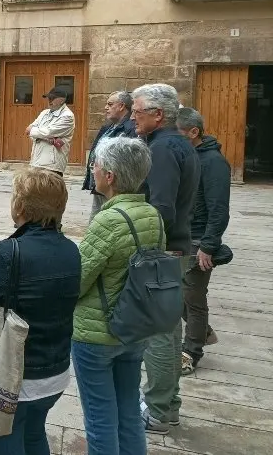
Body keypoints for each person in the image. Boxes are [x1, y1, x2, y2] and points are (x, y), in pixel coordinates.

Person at [0, 168, 80, 455]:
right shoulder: (72, 251)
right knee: (34, 435)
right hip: (55, 372)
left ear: (20, 207)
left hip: (13, 377)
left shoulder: (7, 252)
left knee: (4, 440)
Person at [73, 136, 163, 455]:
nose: (92, 170)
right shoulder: (152, 215)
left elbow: (79, 280)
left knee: (99, 419)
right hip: (134, 326)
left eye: (95, 165)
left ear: (109, 176)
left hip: (96, 333)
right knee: (128, 412)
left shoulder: (108, 220)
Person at [131, 84, 200, 434]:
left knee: (158, 335)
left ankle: (157, 409)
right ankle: (168, 404)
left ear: (159, 114)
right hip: (175, 249)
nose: (132, 115)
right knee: (170, 333)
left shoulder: (162, 149)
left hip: (163, 251)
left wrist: (142, 250)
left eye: (138, 110)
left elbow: (161, 209)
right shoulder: (179, 145)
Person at [177, 107, 230, 375]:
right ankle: (204, 332)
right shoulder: (189, 156)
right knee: (179, 296)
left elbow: (219, 209)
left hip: (199, 240)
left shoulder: (213, 162)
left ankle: (191, 352)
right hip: (183, 237)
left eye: (179, 134)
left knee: (193, 298)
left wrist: (208, 246)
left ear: (194, 132)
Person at [83, 91, 136, 221]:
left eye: (110, 104)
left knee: (107, 222)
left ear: (122, 106)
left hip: (114, 186)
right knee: (95, 221)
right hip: (100, 184)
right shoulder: (108, 127)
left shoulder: (130, 129)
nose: (106, 108)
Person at [26, 86, 75, 176]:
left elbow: (49, 132)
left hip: (52, 164)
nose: (49, 100)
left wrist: (37, 133)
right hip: (36, 160)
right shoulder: (45, 113)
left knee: (50, 189)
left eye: (52, 98)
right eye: (49, 98)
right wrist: (41, 134)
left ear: (61, 100)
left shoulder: (67, 116)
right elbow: (31, 130)